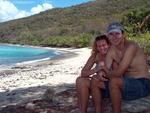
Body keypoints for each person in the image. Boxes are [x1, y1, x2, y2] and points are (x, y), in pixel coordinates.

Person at [91, 22, 150, 113]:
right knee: (94, 80)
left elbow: (118, 72)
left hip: (142, 83)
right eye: (111, 34)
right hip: (125, 84)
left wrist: (105, 70)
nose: (114, 37)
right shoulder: (112, 50)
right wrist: (100, 73)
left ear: (123, 34)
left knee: (114, 81)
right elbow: (104, 69)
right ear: (108, 36)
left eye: (117, 33)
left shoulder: (131, 46)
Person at [76, 34, 110, 113]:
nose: (102, 48)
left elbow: (119, 74)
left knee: (94, 80)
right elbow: (83, 73)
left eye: (104, 45)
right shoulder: (95, 56)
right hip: (98, 84)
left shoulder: (113, 54)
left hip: (110, 85)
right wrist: (96, 69)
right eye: (99, 46)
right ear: (96, 47)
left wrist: (102, 73)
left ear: (108, 44)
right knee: (80, 80)